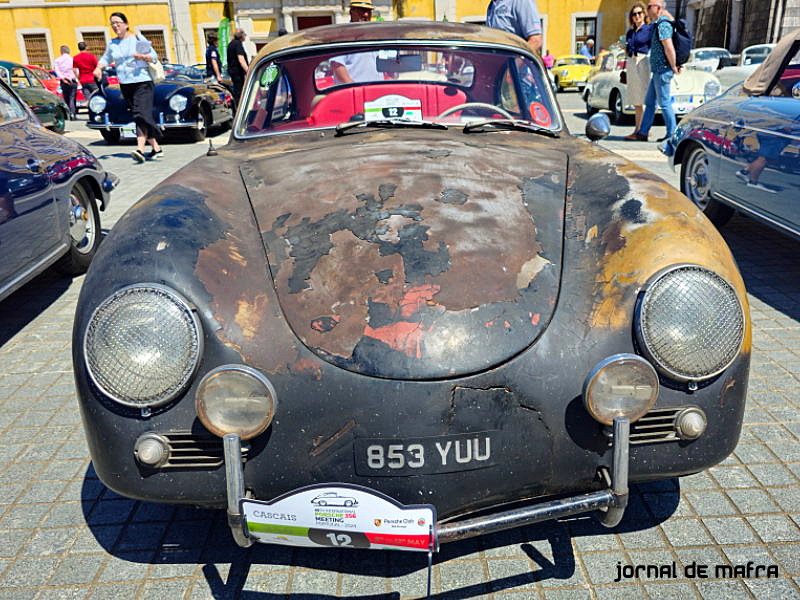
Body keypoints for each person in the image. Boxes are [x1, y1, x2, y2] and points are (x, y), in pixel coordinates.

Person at [93, 12, 163, 162]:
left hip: (142, 82)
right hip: (125, 84)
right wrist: (99, 68)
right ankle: (156, 148)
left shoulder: (137, 39)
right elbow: (105, 58)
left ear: (126, 24)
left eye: (118, 22)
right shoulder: (112, 44)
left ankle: (140, 149)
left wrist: (143, 57)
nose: (115, 26)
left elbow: (154, 57)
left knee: (140, 114)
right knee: (140, 116)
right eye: (112, 23)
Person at [635, 0, 680, 143]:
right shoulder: (659, 23)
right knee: (650, 102)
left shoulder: (663, 24)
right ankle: (643, 132)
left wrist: (673, 66)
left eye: (649, 7)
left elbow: (669, 47)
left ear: (658, 8)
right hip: (657, 71)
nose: (647, 9)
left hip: (662, 69)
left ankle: (672, 134)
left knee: (664, 103)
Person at [330, 0, 381, 84]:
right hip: (352, 93)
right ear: (351, 12)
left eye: (369, 11)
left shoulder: (375, 35)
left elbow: (386, 61)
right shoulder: (341, 36)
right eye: (362, 10)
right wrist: (354, 88)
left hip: (376, 91)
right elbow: (337, 65)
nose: (366, 14)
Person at [623, 2, 654, 139]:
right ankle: (639, 129)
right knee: (636, 98)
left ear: (644, 15)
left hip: (643, 62)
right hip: (631, 62)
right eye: (634, 14)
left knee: (645, 97)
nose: (637, 16)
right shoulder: (630, 32)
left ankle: (642, 129)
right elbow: (628, 48)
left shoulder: (648, 29)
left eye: (639, 13)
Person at [54, 46, 78, 119]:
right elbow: (76, 70)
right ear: (69, 51)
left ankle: (69, 113)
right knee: (72, 97)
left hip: (64, 81)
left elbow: (57, 71)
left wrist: (63, 78)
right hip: (72, 80)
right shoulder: (72, 59)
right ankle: (73, 113)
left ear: (61, 51)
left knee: (66, 97)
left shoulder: (57, 60)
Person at [227, 29, 249, 107]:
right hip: (238, 73)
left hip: (233, 72)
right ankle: (240, 108)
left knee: (237, 92)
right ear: (241, 36)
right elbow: (241, 59)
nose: (245, 36)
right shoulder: (238, 44)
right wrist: (248, 71)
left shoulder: (231, 44)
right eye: (245, 35)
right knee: (240, 92)